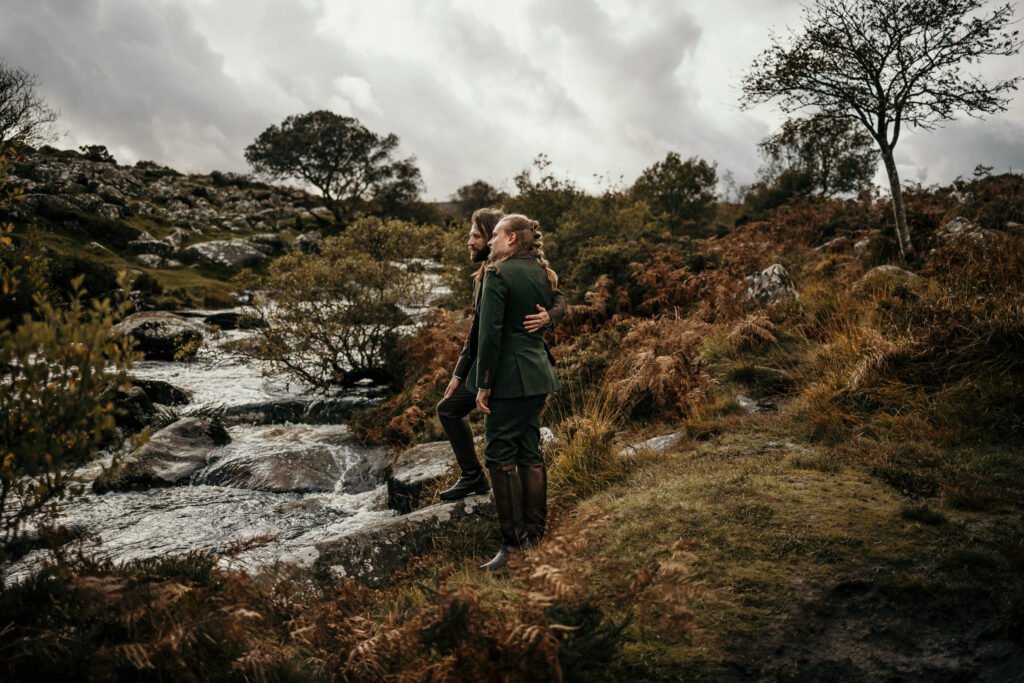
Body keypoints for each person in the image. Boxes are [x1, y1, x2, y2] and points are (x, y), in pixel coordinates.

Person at [436, 208, 566, 502]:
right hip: (487, 363)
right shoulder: (485, 275)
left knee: (508, 445)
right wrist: (458, 374)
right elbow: (478, 330)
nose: (470, 241)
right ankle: (473, 477)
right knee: (449, 409)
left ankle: (513, 513)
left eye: (477, 236)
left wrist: (550, 317)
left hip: (505, 367)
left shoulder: (507, 271)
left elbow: (558, 296)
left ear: (504, 238)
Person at [468, 213, 561, 570]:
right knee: (528, 450)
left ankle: (512, 548)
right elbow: (556, 305)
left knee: (499, 455)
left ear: (511, 240)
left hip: (507, 378)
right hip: (538, 375)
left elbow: (489, 336)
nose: (489, 242)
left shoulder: (497, 274)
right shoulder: (542, 272)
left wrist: (484, 383)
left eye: (495, 236)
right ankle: (535, 538)